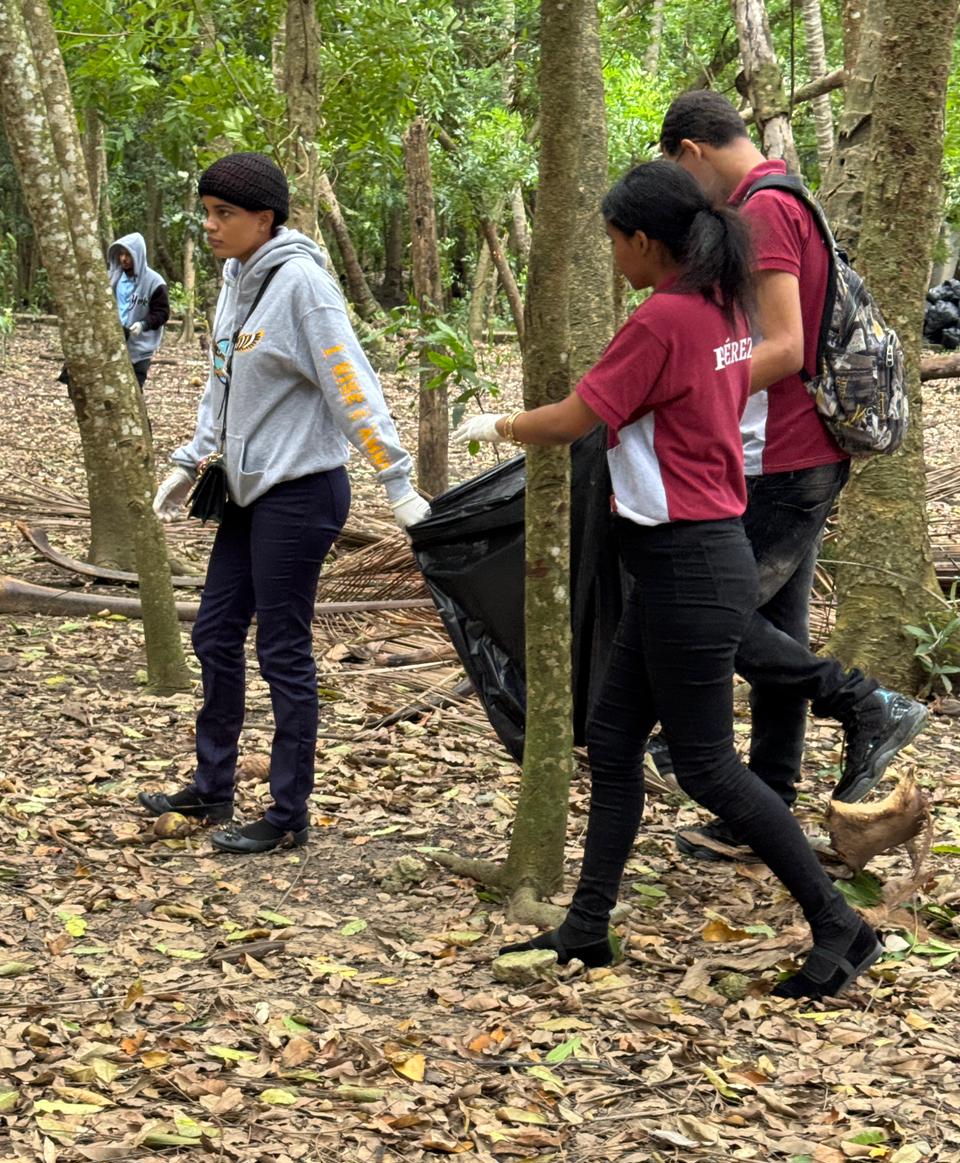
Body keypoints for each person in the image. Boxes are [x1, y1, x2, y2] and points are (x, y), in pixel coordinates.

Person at [453, 160, 883, 1000]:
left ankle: (839, 925)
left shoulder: (664, 319)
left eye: (616, 242)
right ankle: (587, 926)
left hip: (690, 560)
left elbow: (579, 416)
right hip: (684, 554)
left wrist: (498, 422)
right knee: (612, 745)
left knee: (708, 766)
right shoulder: (723, 307)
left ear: (645, 241)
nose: (614, 257)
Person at [650, 89, 926, 862]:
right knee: (777, 628)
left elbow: (783, 347)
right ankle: (761, 806)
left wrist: (676, 385)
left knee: (709, 614)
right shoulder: (785, 196)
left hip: (784, 452)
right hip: (792, 452)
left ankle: (869, 705)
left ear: (691, 152)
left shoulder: (765, 210)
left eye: (681, 175)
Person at [139, 152, 429, 854]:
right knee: (213, 634)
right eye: (205, 212)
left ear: (263, 219)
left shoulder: (303, 285)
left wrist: (398, 482)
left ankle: (287, 813)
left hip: (300, 492)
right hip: (245, 489)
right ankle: (212, 789)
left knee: (283, 649)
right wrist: (189, 459)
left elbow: (350, 384)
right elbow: (222, 379)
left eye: (224, 214)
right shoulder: (236, 278)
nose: (209, 226)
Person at [58, 232, 169, 391]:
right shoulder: (111, 278)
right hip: (112, 338)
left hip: (140, 347)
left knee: (134, 389)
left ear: (138, 255)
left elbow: (162, 313)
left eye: (128, 255)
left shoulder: (154, 282)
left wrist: (143, 324)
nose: (123, 259)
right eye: (121, 254)